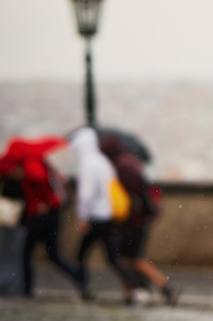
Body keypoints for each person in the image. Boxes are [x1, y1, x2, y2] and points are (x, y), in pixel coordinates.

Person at [98, 133, 180, 306]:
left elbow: (132, 194)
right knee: (129, 259)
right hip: (138, 219)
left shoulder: (122, 166)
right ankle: (141, 289)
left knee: (132, 259)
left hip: (133, 220)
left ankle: (163, 286)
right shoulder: (129, 162)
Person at [0, 135, 86, 298]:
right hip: (49, 216)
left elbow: (36, 177)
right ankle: (79, 281)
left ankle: (27, 290)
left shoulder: (31, 164)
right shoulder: (43, 160)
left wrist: (22, 173)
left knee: (28, 254)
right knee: (50, 256)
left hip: (39, 217)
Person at [71, 126, 138, 303]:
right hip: (108, 216)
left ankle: (85, 288)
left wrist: (83, 217)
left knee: (81, 256)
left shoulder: (87, 163)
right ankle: (132, 289)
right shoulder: (101, 160)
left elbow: (86, 194)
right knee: (113, 258)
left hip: (97, 217)